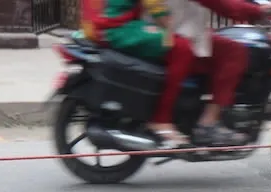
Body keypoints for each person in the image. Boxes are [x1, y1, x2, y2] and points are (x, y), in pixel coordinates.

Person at [165, 0, 271, 146]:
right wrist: (260, 10)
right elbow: (223, 5)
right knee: (234, 51)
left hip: (170, 24)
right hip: (173, 29)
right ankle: (208, 124)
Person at [82, 0, 196, 147]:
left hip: (106, 25)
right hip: (114, 28)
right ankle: (161, 120)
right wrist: (168, 24)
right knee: (182, 47)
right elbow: (154, 4)